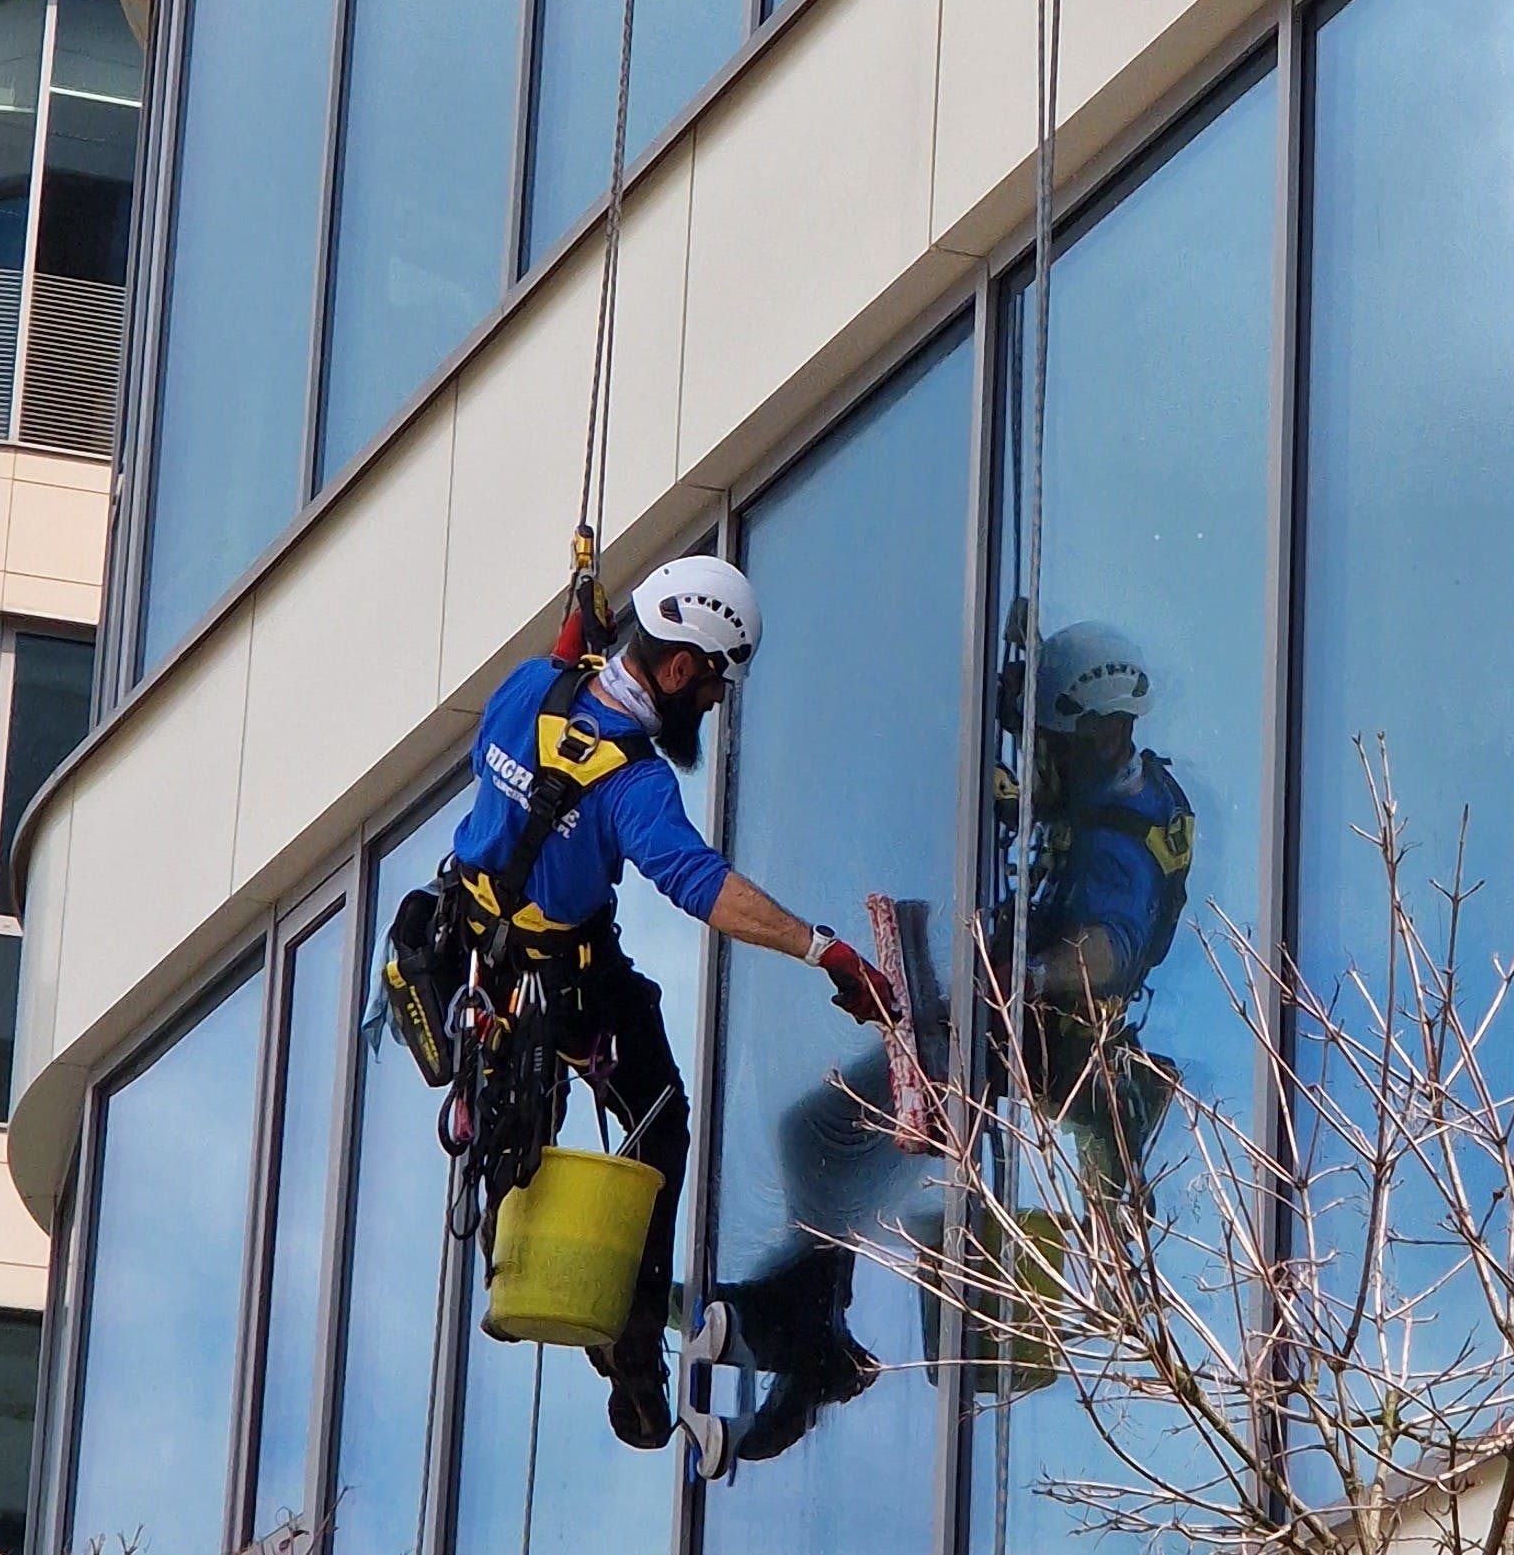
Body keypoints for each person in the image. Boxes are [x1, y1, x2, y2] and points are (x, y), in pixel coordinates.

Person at [439, 558, 892, 1454]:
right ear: (681, 670)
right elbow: (700, 884)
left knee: (517, 1135)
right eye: (716, 681)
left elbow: (555, 710)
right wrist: (824, 949)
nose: (717, 702)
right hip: (562, 978)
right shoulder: (634, 784)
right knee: (660, 1119)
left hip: (474, 951)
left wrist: (581, 638)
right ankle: (634, 1338)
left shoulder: (529, 686)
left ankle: (557, 1278)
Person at [1001, 619, 1192, 1213]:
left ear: (1103, 736)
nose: (1040, 757)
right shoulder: (1102, 791)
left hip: (1066, 1056)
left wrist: (1029, 975)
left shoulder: (1126, 832)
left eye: (1051, 744)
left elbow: (1112, 945)